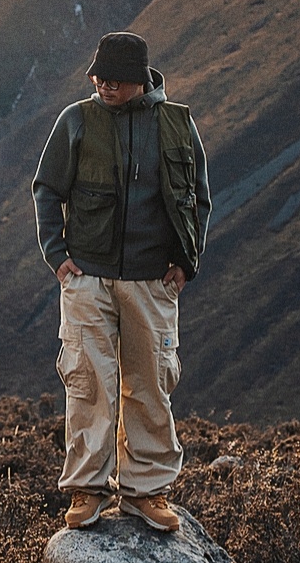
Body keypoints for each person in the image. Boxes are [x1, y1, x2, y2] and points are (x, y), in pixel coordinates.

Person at [32, 31, 211, 535]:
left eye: (114, 80)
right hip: (86, 279)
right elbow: (46, 189)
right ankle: (88, 490)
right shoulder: (77, 121)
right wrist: (58, 257)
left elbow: (198, 197)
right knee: (89, 383)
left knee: (150, 384)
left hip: (152, 282)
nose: (103, 86)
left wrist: (186, 262)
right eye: (99, 77)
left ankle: (145, 493)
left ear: (138, 80)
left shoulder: (176, 125)